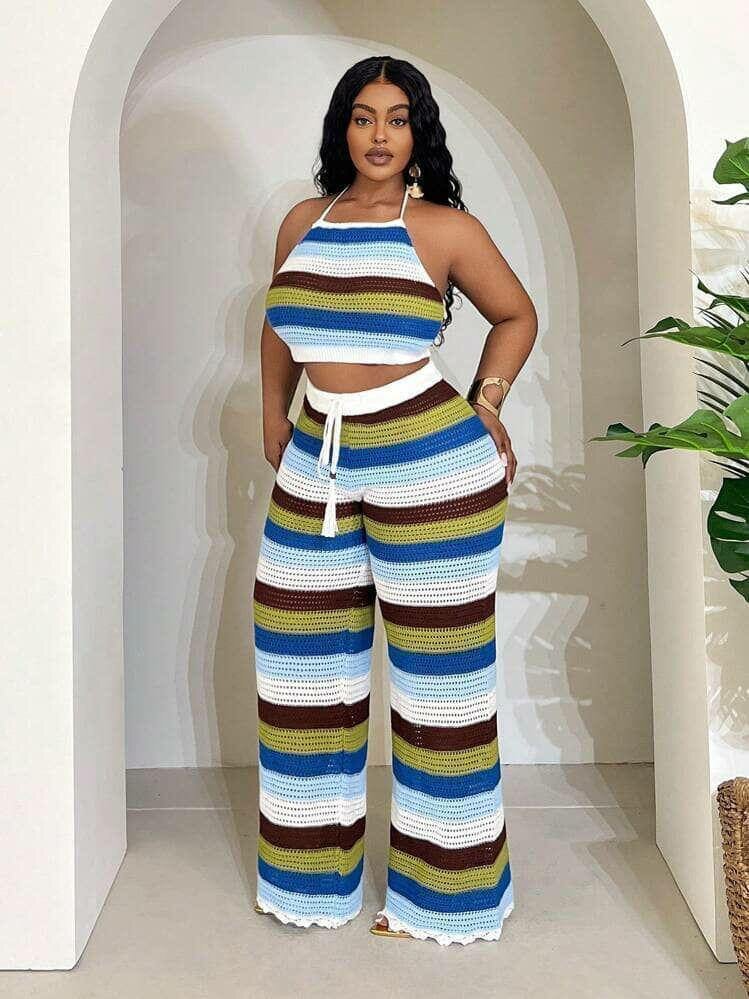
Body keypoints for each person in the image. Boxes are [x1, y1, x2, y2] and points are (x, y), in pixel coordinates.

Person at [252, 54, 537, 946]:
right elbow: (279, 326)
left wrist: (486, 402)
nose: (379, 134)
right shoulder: (303, 221)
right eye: (364, 116)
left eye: (398, 118)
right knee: (301, 675)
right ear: (342, 127)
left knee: (439, 687)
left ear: (419, 133)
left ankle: (444, 895)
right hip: (318, 462)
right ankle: (310, 883)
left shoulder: (443, 227)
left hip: (430, 466)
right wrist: (273, 416)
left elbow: (516, 314)